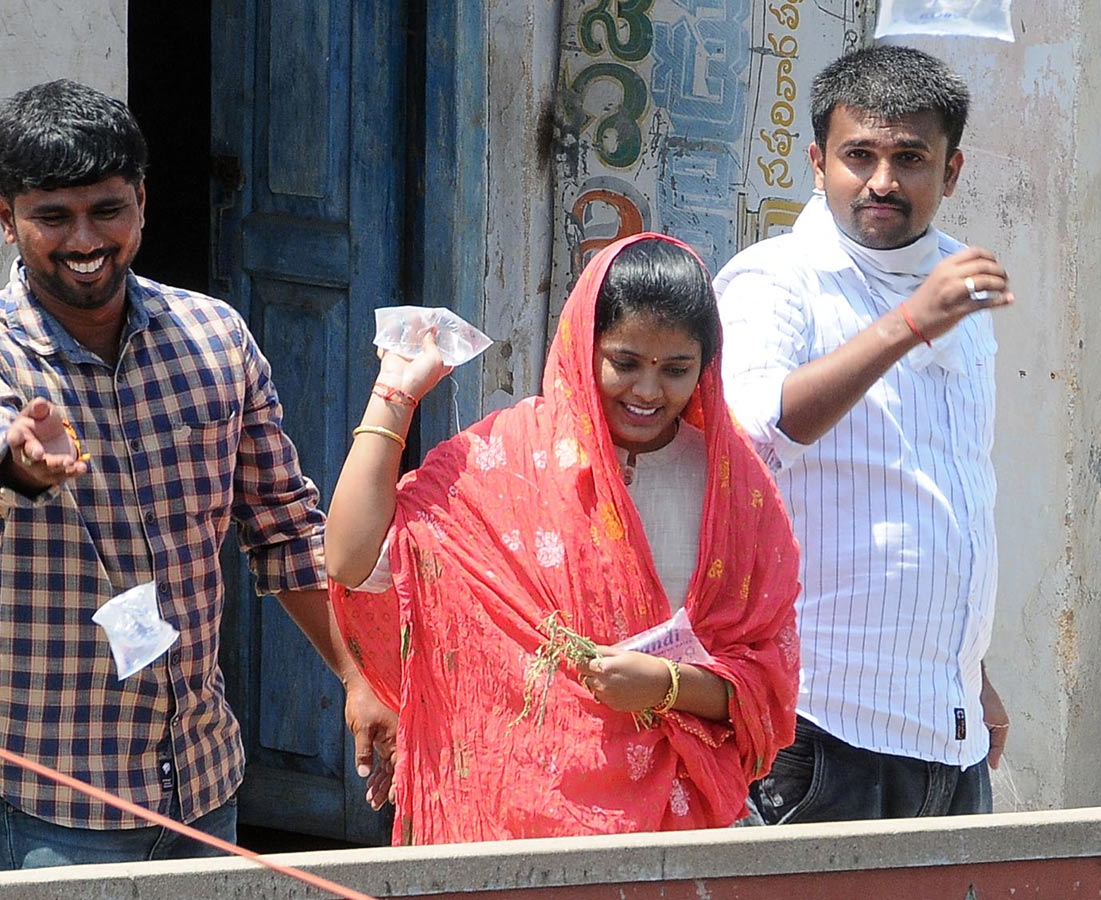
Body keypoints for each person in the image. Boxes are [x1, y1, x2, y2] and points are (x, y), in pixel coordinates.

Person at [0, 79, 392, 870]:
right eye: (52, 217)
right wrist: (23, 461)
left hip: (203, 779)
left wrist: (357, 677)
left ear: (140, 199)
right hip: (55, 797)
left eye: (106, 210)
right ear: (8, 218)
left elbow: (281, 528)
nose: (84, 239)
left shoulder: (215, 337)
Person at [324, 233, 800, 844]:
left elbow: (766, 688)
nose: (649, 392)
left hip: (672, 839)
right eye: (625, 363)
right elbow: (353, 558)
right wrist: (395, 393)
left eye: (676, 369)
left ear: (705, 368)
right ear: (583, 346)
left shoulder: (735, 493)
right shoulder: (501, 463)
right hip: (510, 832)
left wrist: (665, 685)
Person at [714, 44, 1013, 823]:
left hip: (949, 731)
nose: (882, 182)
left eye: (910, 158)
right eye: (859, 156)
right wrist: (908, 325)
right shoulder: (773, 281)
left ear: (949, 172)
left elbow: (948, 485)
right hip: (818, 727)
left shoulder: (960, 279)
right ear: (818, 163)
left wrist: (969, 669)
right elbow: (757, 437)